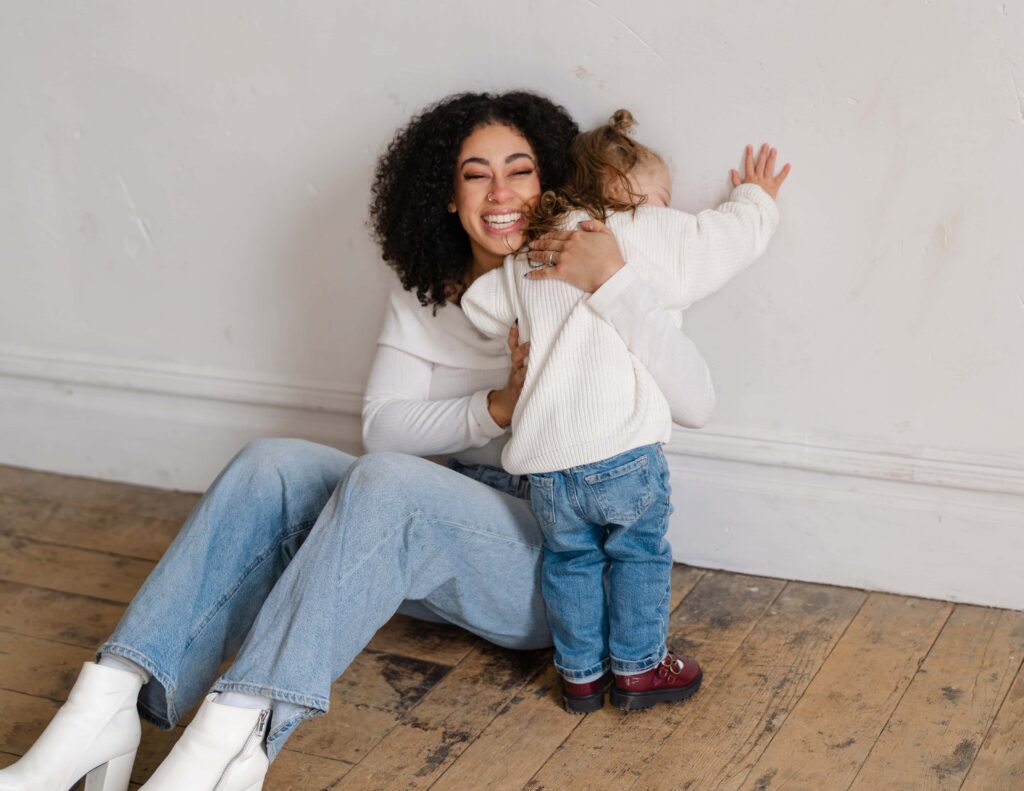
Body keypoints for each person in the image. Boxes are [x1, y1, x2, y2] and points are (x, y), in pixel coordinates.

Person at [0, 92, 719, 791]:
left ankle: (229, 744)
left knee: (390, 483)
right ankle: (100, 712)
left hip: (556, 561)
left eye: (521, 168)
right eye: (476, 173)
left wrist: (614, 284)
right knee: (271, 464)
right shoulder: (427, 289)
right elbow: (383, 428)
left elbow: (697, 402)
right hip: (434, 537)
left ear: (552, 180)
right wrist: (498, 405)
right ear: (447, 194)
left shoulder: (603, 262)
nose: (501, 191)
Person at [460, 110, 790, 713]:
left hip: (549, 467)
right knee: (638, 555)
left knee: (571, 562)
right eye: (662, 198)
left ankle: (581, 676)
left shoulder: (536, 247)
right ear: (626, 186)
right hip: (621, 454)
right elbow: (720, 243)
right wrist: (755, 200)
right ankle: (638, 670)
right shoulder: (647, 229)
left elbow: (481, 307)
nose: (667, 209)